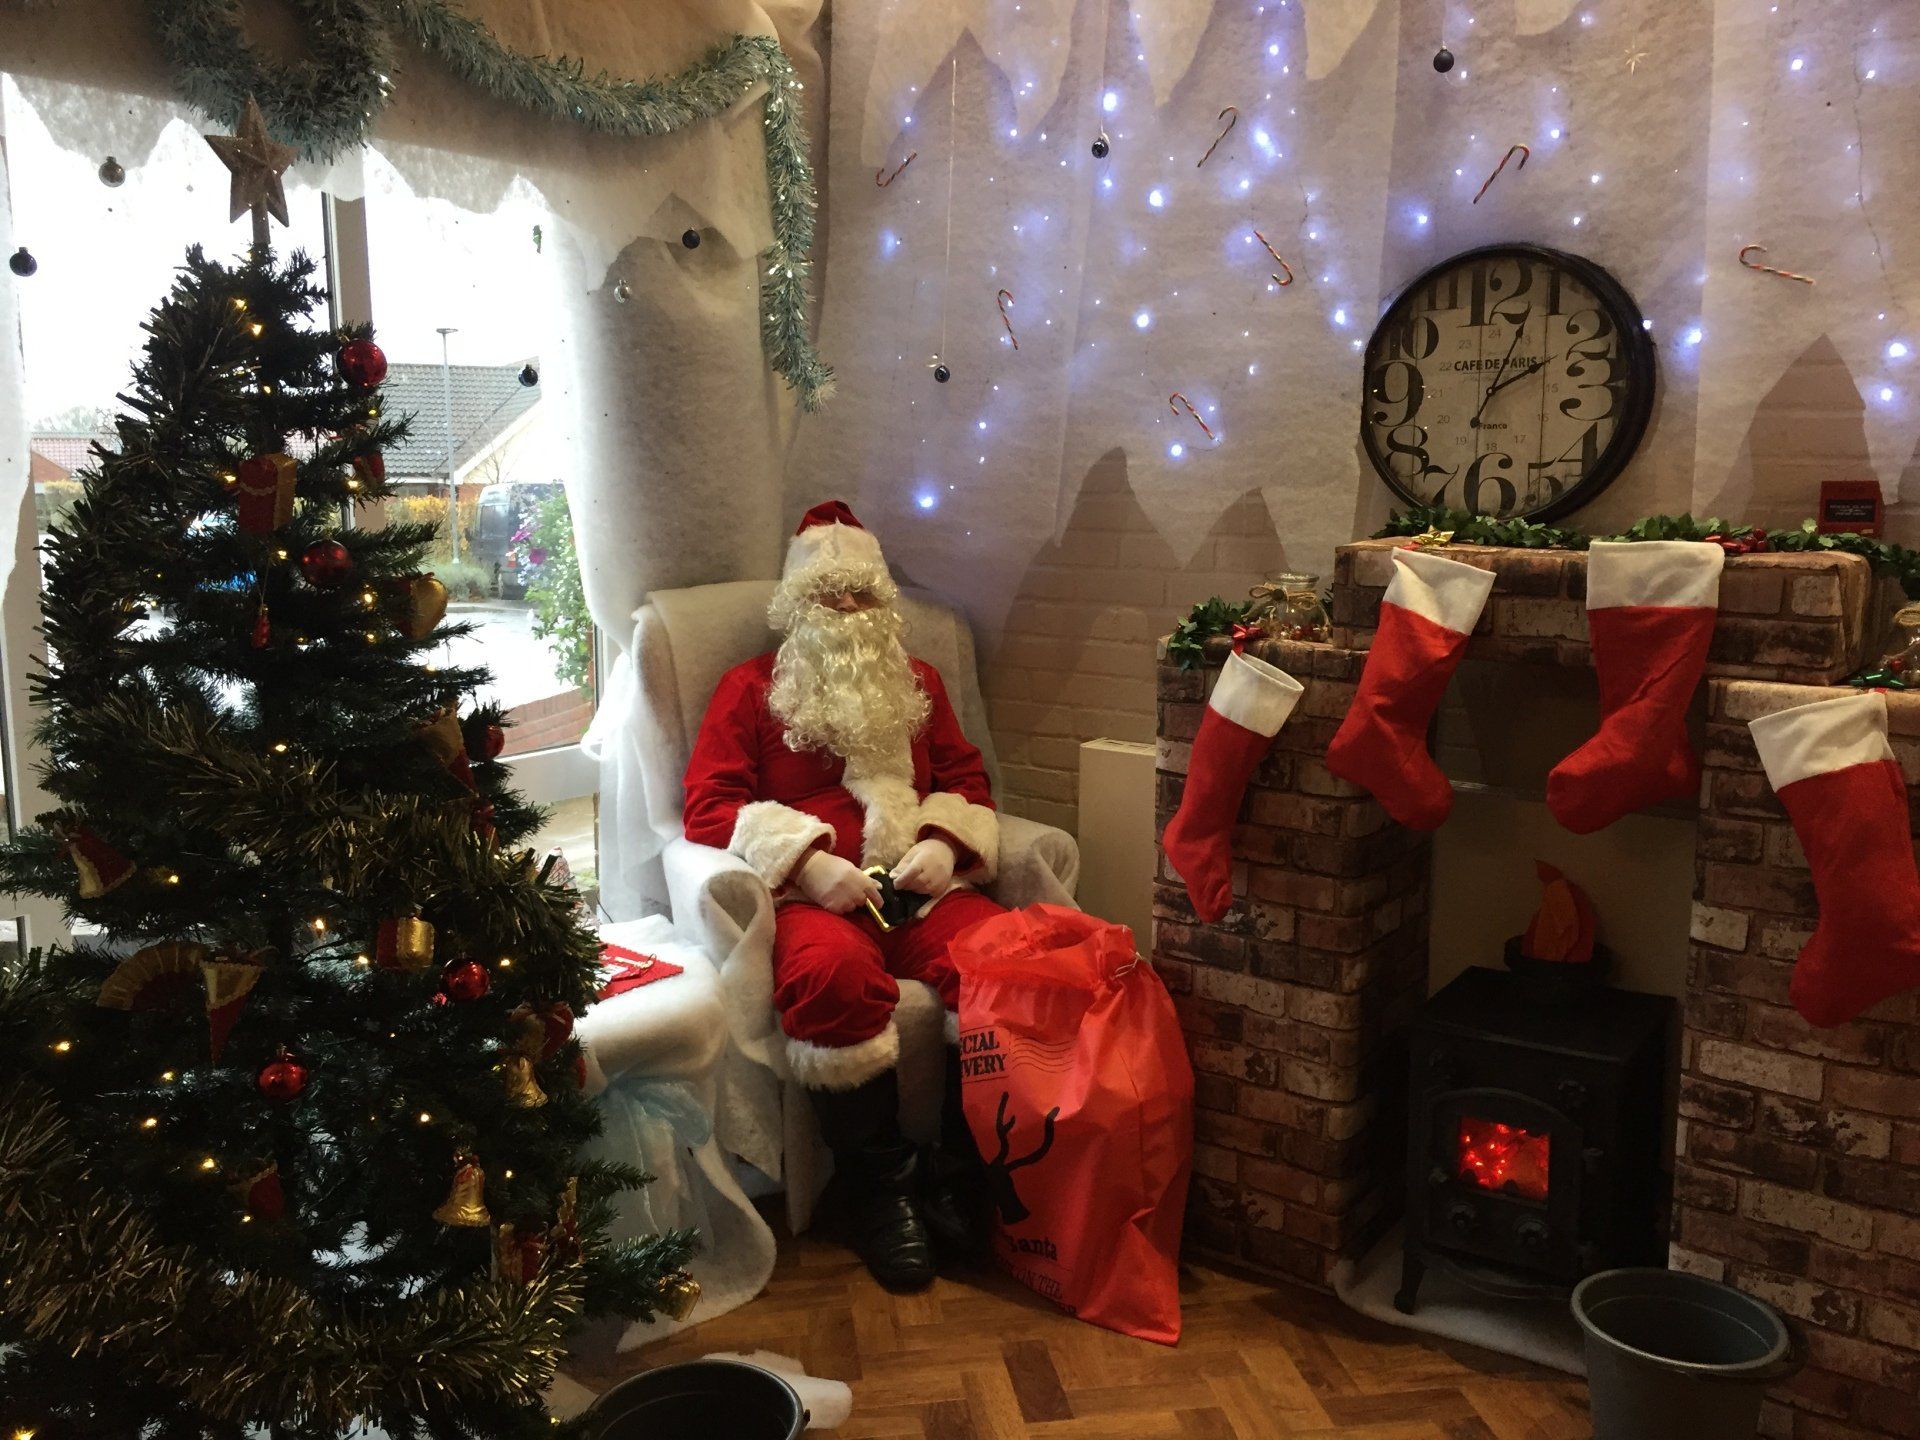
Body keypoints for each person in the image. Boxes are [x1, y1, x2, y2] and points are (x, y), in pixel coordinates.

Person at [683, 500, 1003, 1290]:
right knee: (829, 980)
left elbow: (967, 781)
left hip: (921, 894)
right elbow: (709, 805)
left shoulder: (918, 683)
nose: (851, 611)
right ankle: (879, 1191)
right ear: (797, 604)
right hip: (816, 900)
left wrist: (941, 842)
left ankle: (961, 1176)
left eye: (863, 594)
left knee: (1004, 962)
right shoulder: (750, 690)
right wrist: (806, 862)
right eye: (832, 596)